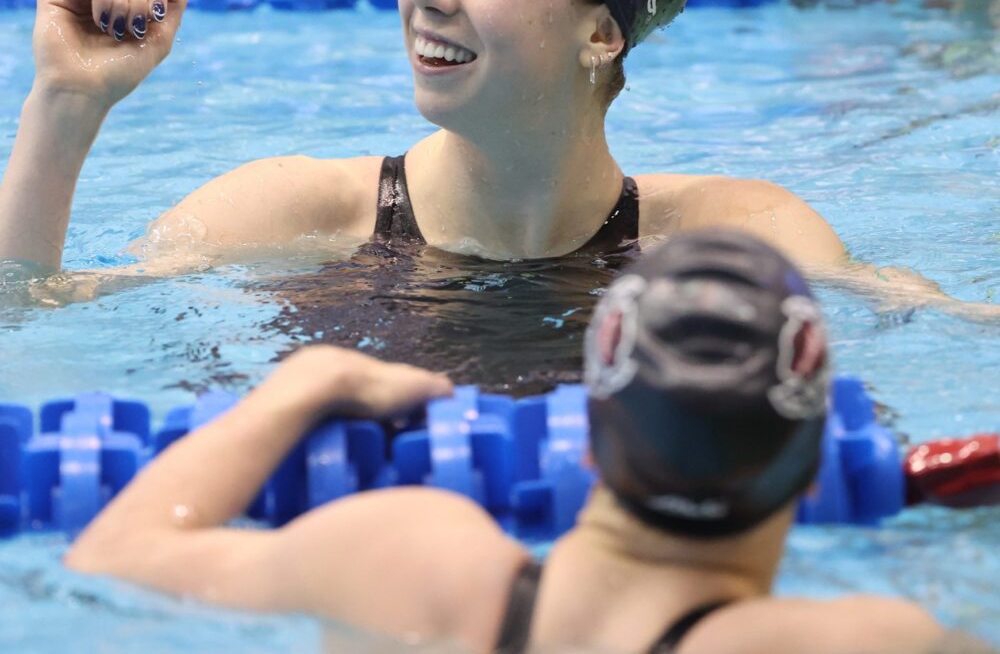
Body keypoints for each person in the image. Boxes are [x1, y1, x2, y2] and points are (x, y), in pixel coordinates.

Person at [0, 0, 850, 278]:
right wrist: (64, 110)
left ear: (602, 31)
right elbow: (30, 325)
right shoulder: (291, 215)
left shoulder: (733, 236)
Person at [64, 229, 944, 653]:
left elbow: (113, 556)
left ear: (588, 433)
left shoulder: (406, 564)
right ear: (816, 458)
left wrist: (303, 386)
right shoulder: (861, 641)